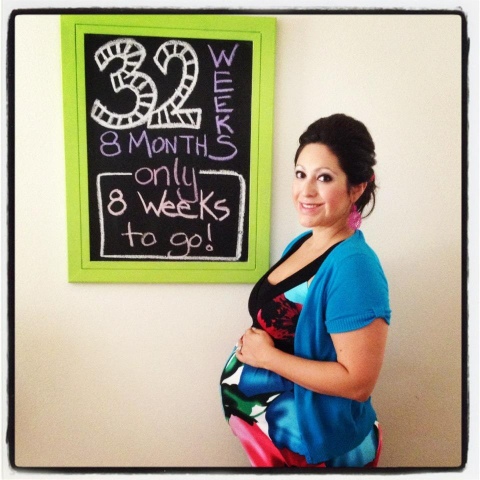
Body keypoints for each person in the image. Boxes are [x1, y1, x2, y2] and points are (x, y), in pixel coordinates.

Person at [220, 113, 391, 468]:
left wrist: (267, 358)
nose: (306, 191)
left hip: (321, 451)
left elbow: (357, 382)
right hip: (279, 443)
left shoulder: (354, 266)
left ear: (357, 188)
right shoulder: (304, 243)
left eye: (324, 177)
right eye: (300, 174)